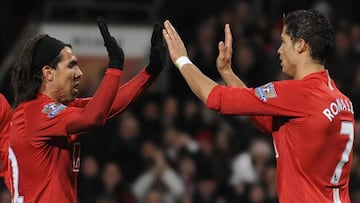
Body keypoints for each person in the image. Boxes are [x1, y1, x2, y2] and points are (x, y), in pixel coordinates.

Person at [162, 9, 355, 202]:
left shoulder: (297, 94)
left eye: (284, 42)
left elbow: (215, 98)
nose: (279, 50)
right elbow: (266, 120)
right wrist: (228, 73)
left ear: (300, 45)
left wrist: (182, 60)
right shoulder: (341, 100)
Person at [8, 16, 166, 202]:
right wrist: (114, 67)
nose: (79, 73)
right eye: (71, 66)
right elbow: (93, 117)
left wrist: (150, 72)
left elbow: (108, 105)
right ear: (48, 73)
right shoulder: (34, 113)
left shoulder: (59, 109)